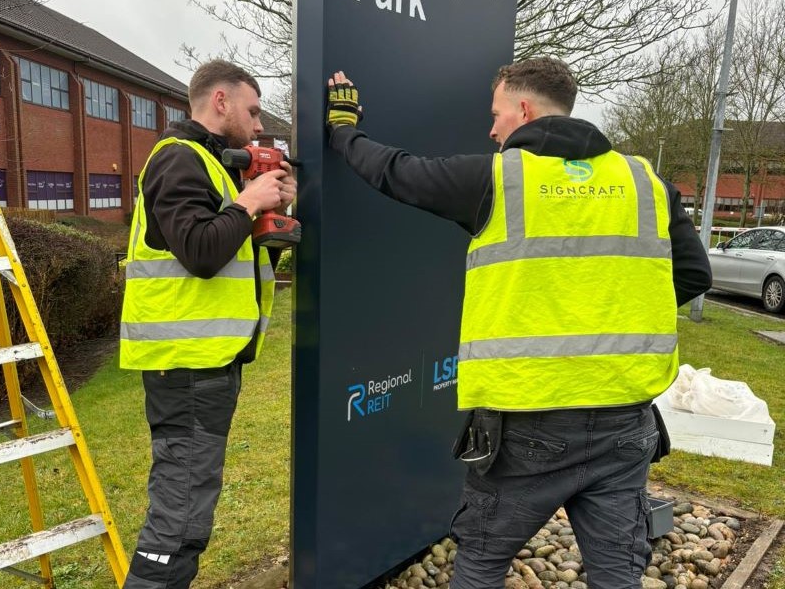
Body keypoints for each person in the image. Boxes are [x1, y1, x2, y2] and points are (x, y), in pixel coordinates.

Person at [325, 59, 711, 589]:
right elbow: (693, 274)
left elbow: (397, 172)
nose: (491, 128)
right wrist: (607, 307)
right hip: (624, 421)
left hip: (527, 425)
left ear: (523, 110)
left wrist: (344, 131)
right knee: (617, 574)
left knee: (482, 562)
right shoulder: (645, 181)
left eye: (496, 114)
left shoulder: (498, 178)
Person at [120, 59, 296, 589]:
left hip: (210, 363)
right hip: (189, 369)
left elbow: (232, 255)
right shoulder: (178, 159)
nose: (260, 125)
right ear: (220, 101)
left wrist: (272, 220)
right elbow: (199, 252)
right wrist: (248, 204)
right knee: (179, 518)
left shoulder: (213, 166)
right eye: (253, 110)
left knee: (189, 504)